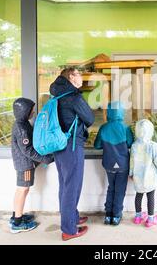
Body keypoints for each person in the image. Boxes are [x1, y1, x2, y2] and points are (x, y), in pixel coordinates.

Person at [49, 67, 95, 241]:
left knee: (65, 183)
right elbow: (90, 118)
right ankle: (69, 229)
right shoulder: (74, 96)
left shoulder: (57, 95)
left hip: (59, 145)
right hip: (72, 145)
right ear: (71, 77)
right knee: (72, 186)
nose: (81, 77)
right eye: (79, 74)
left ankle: (71, 217)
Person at [10, 98, 54, 234]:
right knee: (23, 190)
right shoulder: (22, 129)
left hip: (23, 163)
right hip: (25, 165)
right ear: (24, 112)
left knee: (21, 189)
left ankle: (17, 215)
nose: (33, 112)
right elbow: (28, 150)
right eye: (31, 110)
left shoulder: (21, 124)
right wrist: (45, 159)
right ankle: (17, 223)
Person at [94, 101, 134, 226]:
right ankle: (116, 216)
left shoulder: (103, 127)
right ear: (122, 112)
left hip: (109, 164)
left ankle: (108, 215)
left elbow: (97, 145)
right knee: (120, 190)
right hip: (122, 165)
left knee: (111, 188)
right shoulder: (126, 128)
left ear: (109, 112)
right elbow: (130, 144)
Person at [129, 119, 157, 228]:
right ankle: (150, 219)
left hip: (137, 177)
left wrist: (131, 173)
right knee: (150, 196)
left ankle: (138, 217)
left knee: (138, 196)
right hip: (150, 178)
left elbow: (132, 162)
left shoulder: (134, 146)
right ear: (150, 131)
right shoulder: (153, 146)